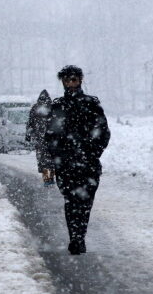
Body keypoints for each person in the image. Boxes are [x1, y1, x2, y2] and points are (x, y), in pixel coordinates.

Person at [44, 65, 110, 255]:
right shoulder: (58, 107)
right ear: (63, 82)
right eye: (67, 80)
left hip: (88, 164)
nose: (71, 84)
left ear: (80, 80)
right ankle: (75, 238)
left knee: (85, 202)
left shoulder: (92, 105)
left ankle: (80, 235)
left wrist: (91, 152)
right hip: (66, 166)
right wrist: (59, 156)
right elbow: (51, 135)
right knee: (71, 201)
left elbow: (103, 133)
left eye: (74, 80)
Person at [26, 89, 53, 185]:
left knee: (42, 159)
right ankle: (51, 177)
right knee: (51, 158)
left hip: (39, 138)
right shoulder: (52, 107)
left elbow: (30, 122)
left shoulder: (35, 108)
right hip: (51, 138)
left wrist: (28, 134)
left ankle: (46, 179)